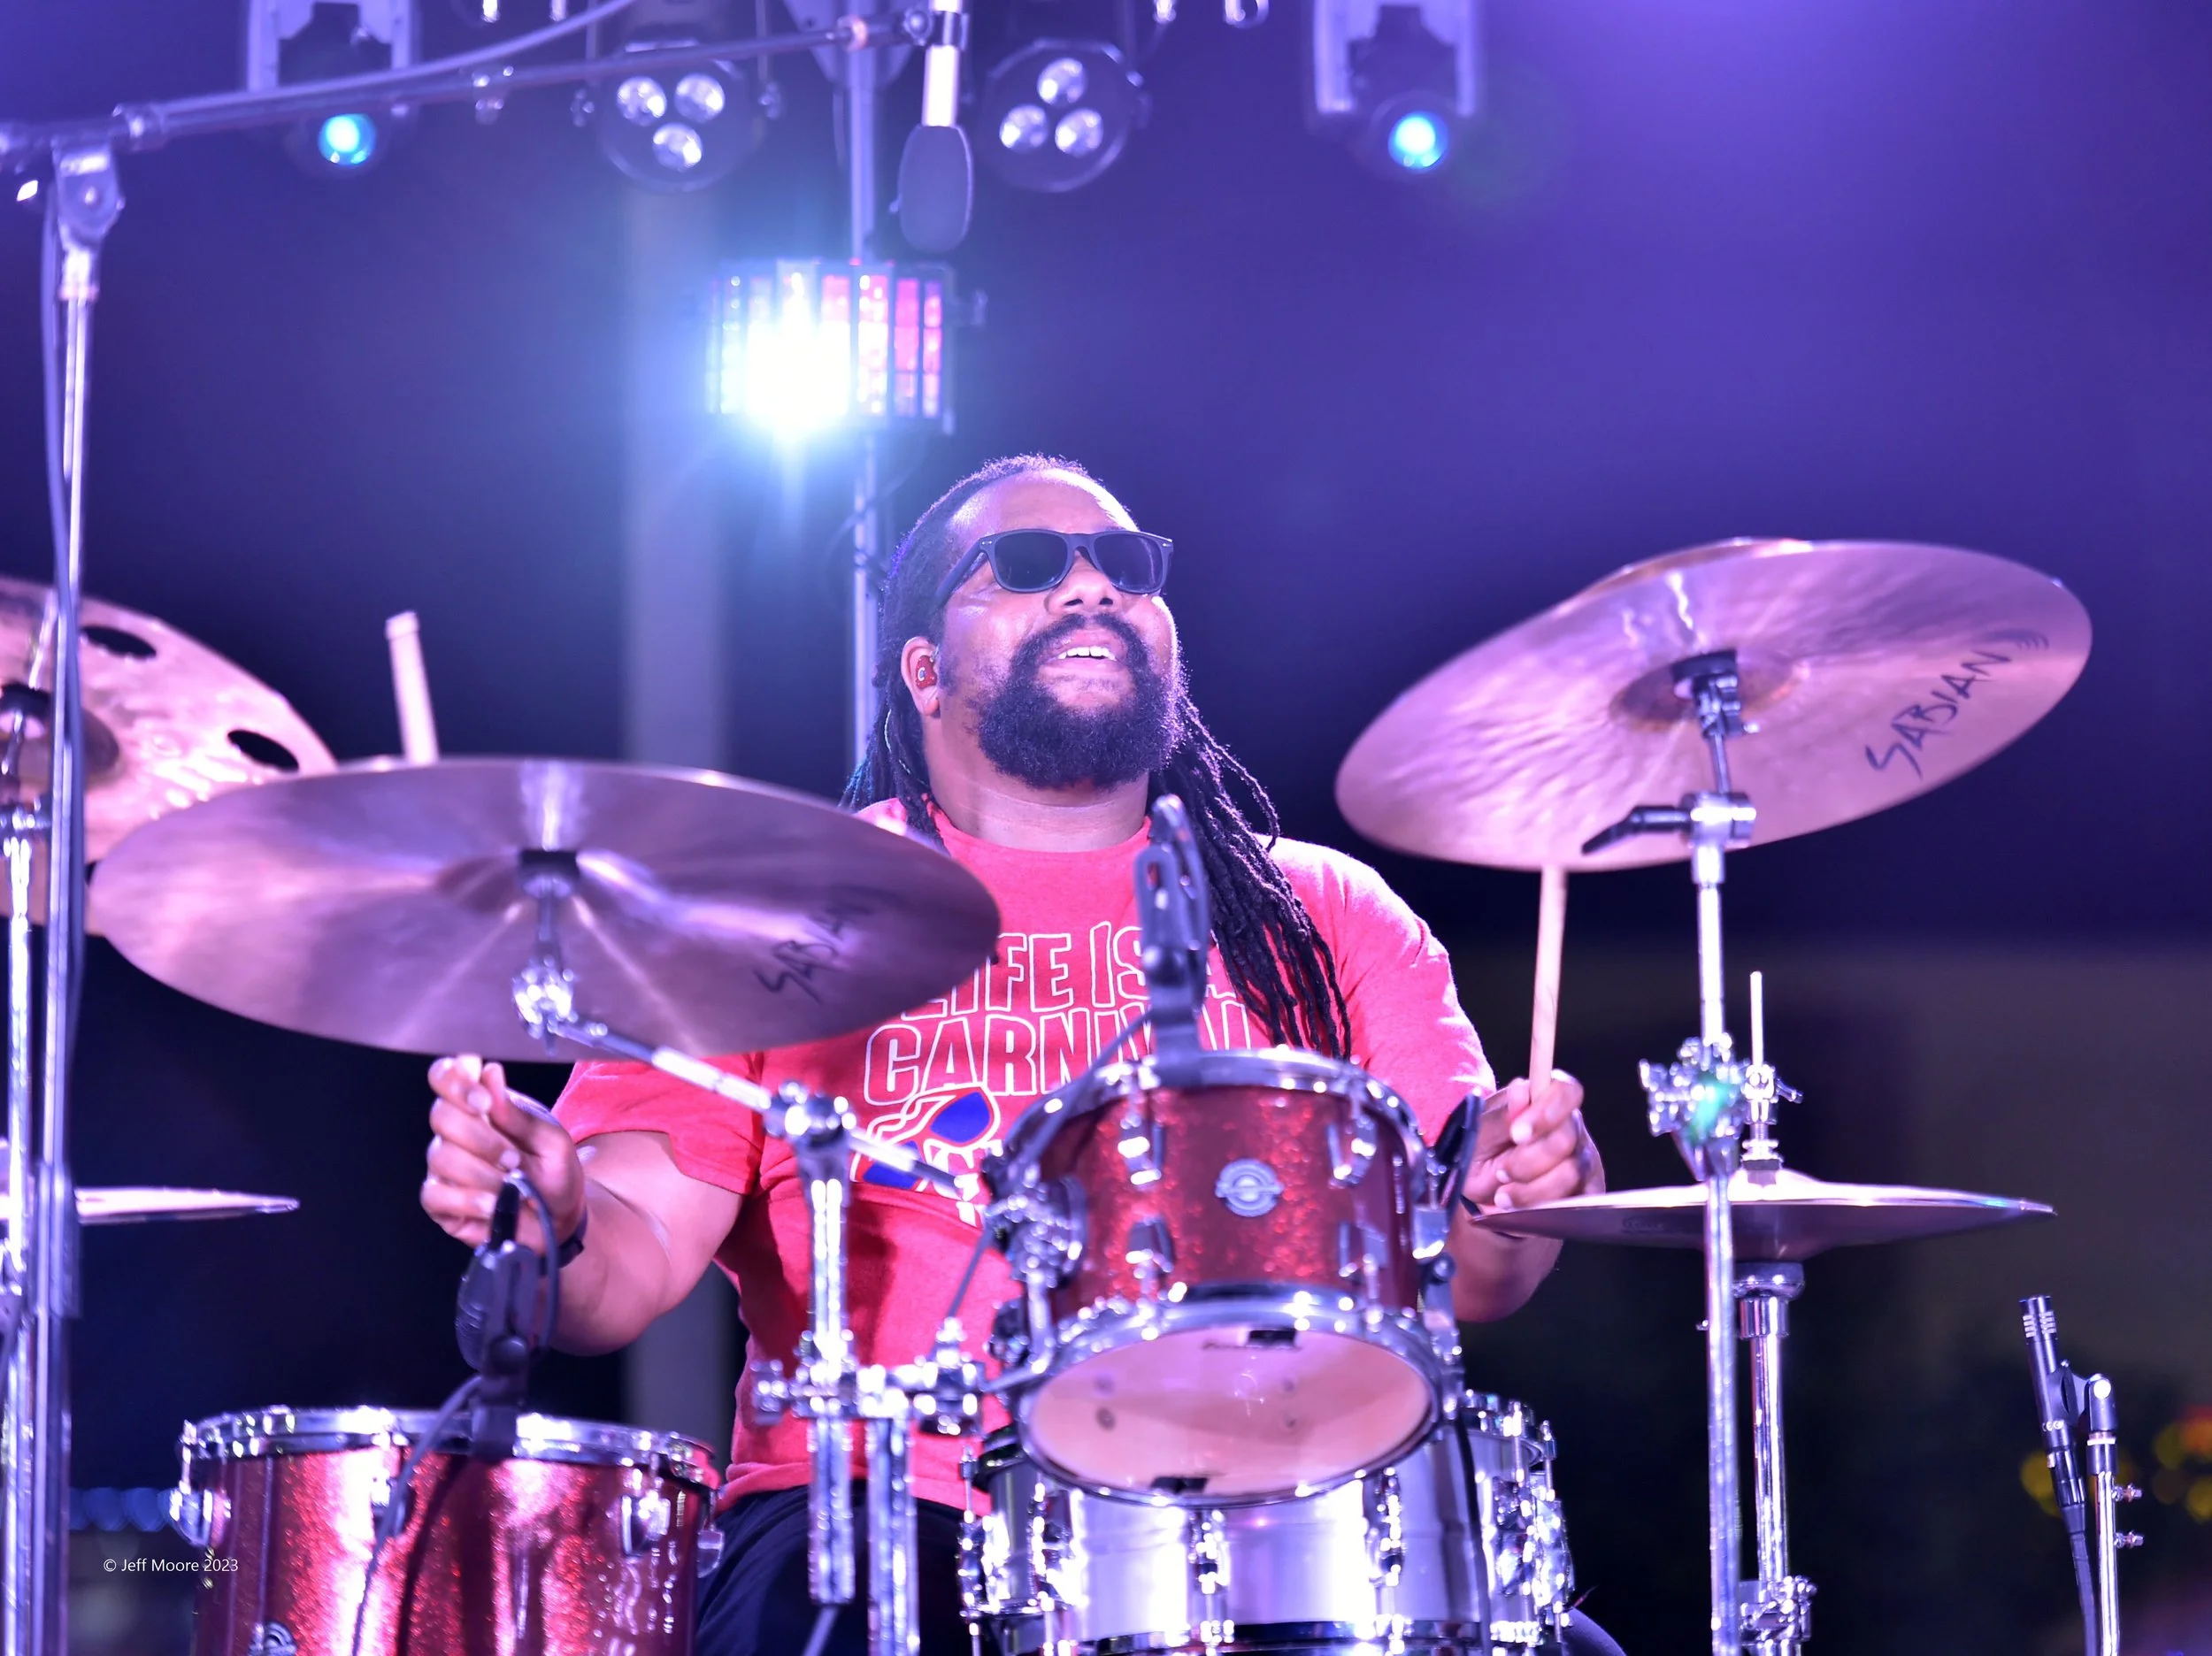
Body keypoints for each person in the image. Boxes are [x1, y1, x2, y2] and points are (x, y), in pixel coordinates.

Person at [419, 455, 1620, 1655]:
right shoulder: (769, 922)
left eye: (1127, 566)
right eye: (1030, 564)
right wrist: (550, 1216)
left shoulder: (1319, 916)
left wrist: (1526, 1188)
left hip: (1280, 1520)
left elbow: (1472, 1272)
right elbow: (619, 1274)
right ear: (924, 671)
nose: (1093, 587)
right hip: (889, 1511)